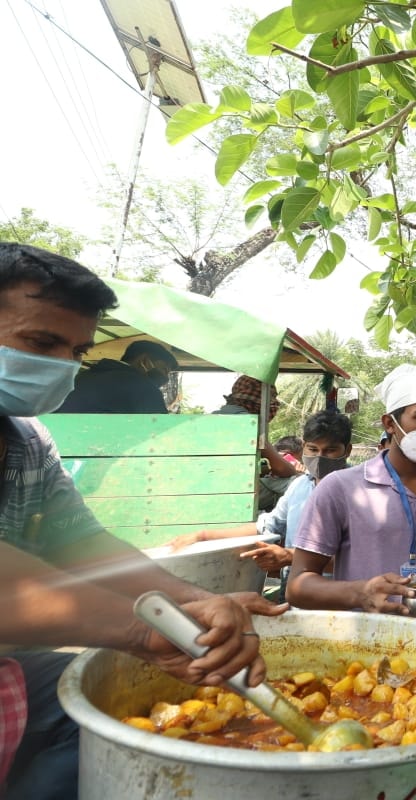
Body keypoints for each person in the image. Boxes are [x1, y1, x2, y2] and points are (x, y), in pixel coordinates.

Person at [0, 243, 282, 798]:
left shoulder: (29, 441)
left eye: (76, 351)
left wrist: (191, 600)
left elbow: (84, 544)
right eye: (41, 343)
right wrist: (142, 632)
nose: (62, 365)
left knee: (100, 717)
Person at [287, 364, 416, 620]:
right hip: (364, 639)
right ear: (390, 424)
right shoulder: (340, 488)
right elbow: (297, 586)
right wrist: (360, 593)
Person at [168, 410, 353, 592]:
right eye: (313, 449)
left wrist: (290, 557)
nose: (319, 457)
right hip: (295, 595)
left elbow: (359, 559)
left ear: (347, 450)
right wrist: (203, 536)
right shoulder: (299, 486)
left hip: (340, 598)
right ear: (304, 446)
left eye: (330, 450)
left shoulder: (358, 493)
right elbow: (266, 526)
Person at [214, 375, 297, 511]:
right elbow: (284, 470)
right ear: (261, 403)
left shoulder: (211, 417)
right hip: (237, 493)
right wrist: (295, 470)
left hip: (215, 487)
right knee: (298, 483)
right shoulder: (248, 424)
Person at [55, 339, 177, 414]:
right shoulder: (144, 388)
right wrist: (151, 386)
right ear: (144, 361)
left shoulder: (82, 377)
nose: (165, 377)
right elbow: (161, 434)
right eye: (164, 369)